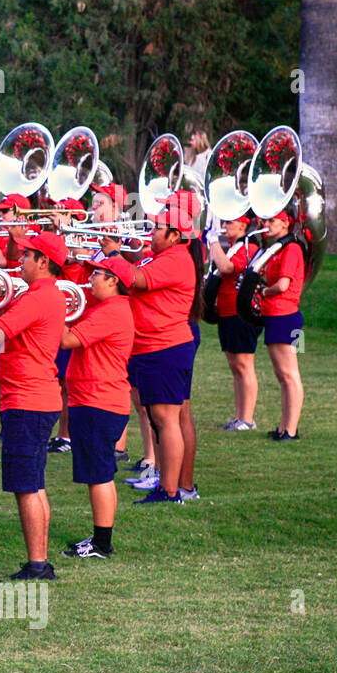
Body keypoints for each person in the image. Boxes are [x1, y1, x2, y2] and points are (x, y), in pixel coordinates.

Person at [0, 232, 68, 580]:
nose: (20, 261)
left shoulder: (38, 298)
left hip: (28, 400)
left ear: (44, 262)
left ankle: (38, 563)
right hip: (33, 398)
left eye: (27, 256)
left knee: (27, 485)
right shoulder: (42, 295)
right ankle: (38, 561)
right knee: (33, 483)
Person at [58, 260, 135, 559]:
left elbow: (66, 340)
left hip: (98, 402)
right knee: (99, 474)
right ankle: (101, 540)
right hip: (97, 401)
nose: (90, 279)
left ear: (114, 280)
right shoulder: (106, 308)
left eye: (97, 274)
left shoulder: (111, 311)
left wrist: (49, 311)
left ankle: (102, 544)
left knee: (100, 475)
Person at [126, 209, 201, 504]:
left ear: (174, 235)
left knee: (166, 419)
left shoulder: (175, 258)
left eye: (158, 229)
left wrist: (111, 253)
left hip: (164, 346)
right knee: (166, 418)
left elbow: (137, 278)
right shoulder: (167, 256)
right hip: (158, 346)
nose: (152, 233)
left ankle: (169, 490)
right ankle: (173, 486)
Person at [208, 214, 262, 430]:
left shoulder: (248, 246)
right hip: (227, 311)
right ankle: (240, 416)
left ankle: (248, 419)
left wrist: (212, 241)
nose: (224, 226)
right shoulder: (234, 245)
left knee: (244, 364)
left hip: (241, 312)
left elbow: (227, 268)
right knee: (235, 365)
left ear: (243, 225)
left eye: (229, 222)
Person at [257, 209, 306, 441]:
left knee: (289, 374)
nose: (267, 224)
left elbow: (283, 285)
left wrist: (264, 291)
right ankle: (284, 425)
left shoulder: (291, 248)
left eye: (272, 220)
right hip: (277, 315)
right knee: (282, 376)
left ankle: (291, 428)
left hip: (285, 315)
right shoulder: (277, 249)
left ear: (286, 224)